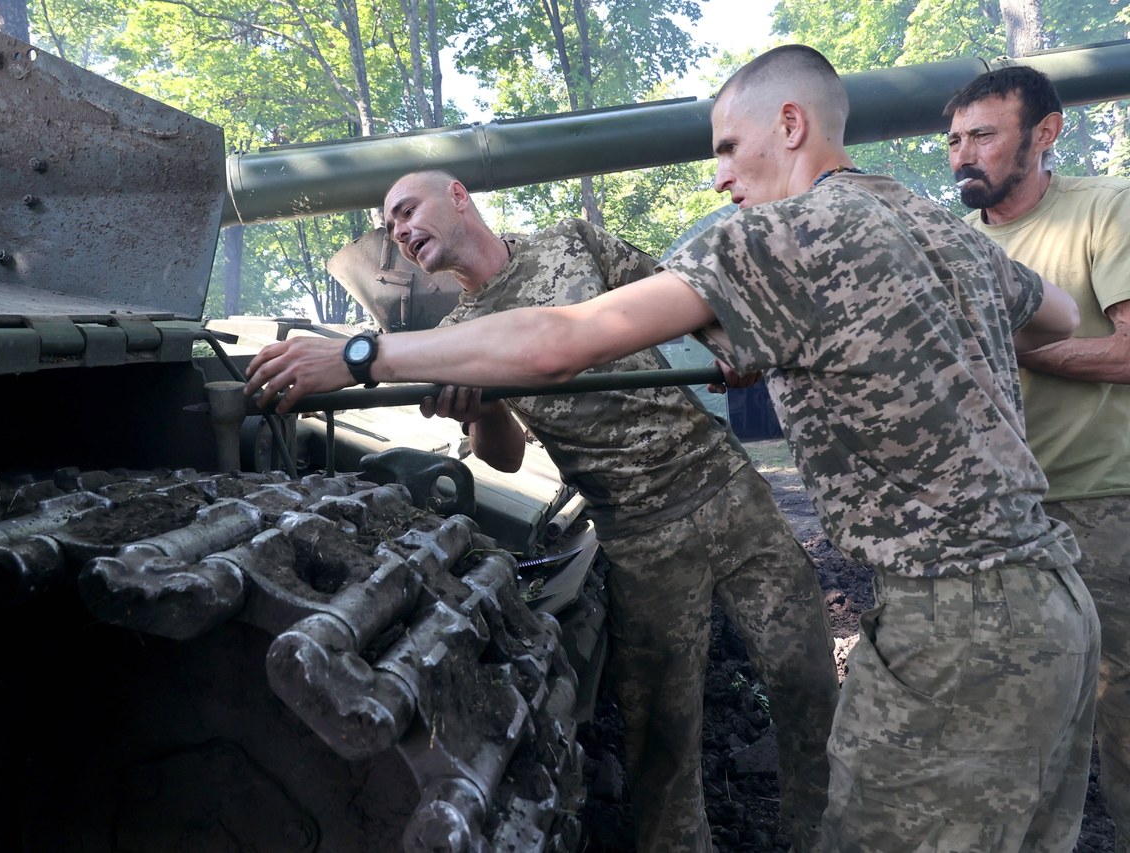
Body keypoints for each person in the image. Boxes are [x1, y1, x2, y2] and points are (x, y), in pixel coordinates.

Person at [246, 44, 1098, 851]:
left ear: (791, 127)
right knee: (670, 738)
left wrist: (360, 353)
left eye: (729, 146)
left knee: (835, 741)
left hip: (936, 614)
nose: (720, 173)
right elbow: (1056, 316)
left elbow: (562, 339)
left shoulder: (755, 238)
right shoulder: (934, 223)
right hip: (1054, 597)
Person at [371, 168, 841, 853]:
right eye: (390, 229)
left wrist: (732, 346)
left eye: (406, 210)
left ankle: (825, 838)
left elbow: (675, 294)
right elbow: (501, 458)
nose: (401, 232)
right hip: (638, 533)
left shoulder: (571, 242)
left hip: (724, 487)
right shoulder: (462, 336)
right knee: (663, 734)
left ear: (458, 196)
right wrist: (488, 407)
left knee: (806, 682)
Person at [946, 65, 1130, 850]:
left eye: (983, 135)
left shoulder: (1103, 208)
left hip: (1099, 502)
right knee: (1011, 719)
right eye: (954, 140)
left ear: (1045, 134)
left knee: (1122, 709)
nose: (963, 155)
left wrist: (1018, 345)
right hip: (996, 521)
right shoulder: (950, 243)